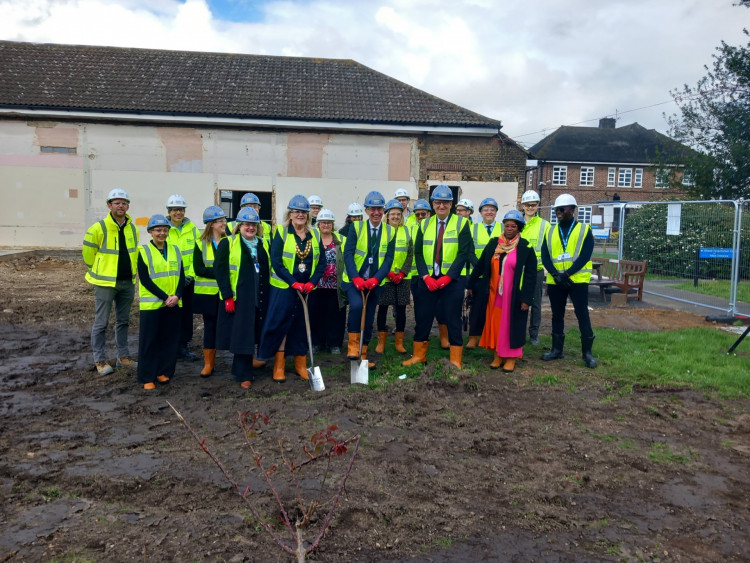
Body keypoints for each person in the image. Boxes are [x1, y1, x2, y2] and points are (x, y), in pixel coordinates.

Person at [403, 184, 472, 369]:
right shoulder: (424, 224)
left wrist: (448, 277)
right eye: (438, 202)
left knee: (452, 318)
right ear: (433, 204)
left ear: (451, 204)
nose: (441, 206)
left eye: (446, 203)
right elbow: (417, 253)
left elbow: (464, 253)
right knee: (423, 317)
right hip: (428, 281)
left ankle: (455, 359)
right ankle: (419, 356)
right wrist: (426, 277)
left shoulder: (462, 223)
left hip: (453, 281)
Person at [258, 195, 325, 381]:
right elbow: (277, 262)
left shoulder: (315, 234)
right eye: (296, 211)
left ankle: (301, 364)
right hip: (284, 288)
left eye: (303, 212)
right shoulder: (280, 232)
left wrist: (312, 282)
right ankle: (278, 366)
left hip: (308, 290)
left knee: (302, 325)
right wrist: (292, 282)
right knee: (281, 324)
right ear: (290, 214)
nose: (300, 215)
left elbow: (322, 263)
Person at [468, 210, 537, 372]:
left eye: (514, 226)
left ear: (519, 228)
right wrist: (470, 284)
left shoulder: (526, 247)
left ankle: (511, 357)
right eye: (507, 225)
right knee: (497, 323)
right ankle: (498, 355)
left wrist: (527, 299)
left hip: (514, 296)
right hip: (494, 294)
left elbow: (531, 276)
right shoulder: (494, 244)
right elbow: (480, 266)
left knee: (511, 325)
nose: (510, 228)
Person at [82, 188, 139, 376]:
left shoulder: (132, 228)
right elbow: (88, 254)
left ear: (128, 206)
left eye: (124, 203)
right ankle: (100, 359)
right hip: (105, 283)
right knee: (101, 323)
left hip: (126, 282)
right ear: (109, 205)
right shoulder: (98, 228)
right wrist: (98, 270)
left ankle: (123, 357)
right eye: (117, 202)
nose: (121, 206)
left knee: (123, 321)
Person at [214, 207, 271, 389]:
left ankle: (252, 365)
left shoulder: (263, 244)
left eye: (253, 224)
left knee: (254, 332)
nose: (250, 227)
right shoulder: (228, 243)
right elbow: (220, 271)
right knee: (242, 336)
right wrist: (227, 296)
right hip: (240, 298)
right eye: (246, 224)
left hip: (259, 296)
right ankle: (242, 374)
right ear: (239, 226)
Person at [541, 193, 597, 368]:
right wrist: (557, 275)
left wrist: (566, 275)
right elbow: (545, 256)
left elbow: (585, 256)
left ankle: (587, 353)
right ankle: (557, 350)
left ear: (572, 210)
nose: (559, 211)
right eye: (557, 209)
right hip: (555, 281)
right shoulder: (550, 231)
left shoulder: (584, 230)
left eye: (562, 208)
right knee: (557, 315)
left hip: (577, 280)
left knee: (582, 314)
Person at [343, 190, 396, 368]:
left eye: (379, 209)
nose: (376, 212)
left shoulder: (390, 231)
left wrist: (377, 279)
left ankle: (363, 354)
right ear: (366, 210)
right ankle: (352, 346)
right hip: (354, 280)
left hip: (374, 283)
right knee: (357, 306)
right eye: (372, 209)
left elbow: (389, 259)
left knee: (370, 315)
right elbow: (348, 254)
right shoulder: (356, 228)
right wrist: (355, 277)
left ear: (383, 211)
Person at [136, 214, 184, 390]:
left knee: (169, 340)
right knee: (150, 341)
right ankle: (147, 376)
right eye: (158, 230)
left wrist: (177, 295)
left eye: (165, 230)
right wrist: (165, 297)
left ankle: (163, 372)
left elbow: (181, 275)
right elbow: (146, 280)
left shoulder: (175, 250)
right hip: (153, 304)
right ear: (150, 232)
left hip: (173, 303)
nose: (162, 233)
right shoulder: (143, 252)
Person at [192, 205, 228, 377]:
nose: (224, 223)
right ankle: (209, 364)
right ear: (211, 224)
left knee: (230, 325)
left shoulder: (230, 241)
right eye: (220, 221)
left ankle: (243, 359)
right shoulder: (200, 244)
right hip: (207, 295)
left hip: (226, 293)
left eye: (224, 220)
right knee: (210, 328)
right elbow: (198, 269)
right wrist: (220, 273)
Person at [374, 199, 413, 355]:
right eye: (393, 214)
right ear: (387, 216)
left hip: (403, 277)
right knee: (383, 308)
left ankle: (399, 342)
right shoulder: (381, 231)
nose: (396, 217)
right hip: (385, 276)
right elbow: (377, 253)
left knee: (402, 309)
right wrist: (387, 272)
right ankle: (381, 342)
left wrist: (402, 272)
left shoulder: (407, 230)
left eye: (398, 214)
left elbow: (410, 254)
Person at [165, 194, 200, 362]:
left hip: (188, 280)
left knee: (186, 314)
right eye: (175, 210)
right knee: (171, 312)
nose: (178, 213)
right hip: (170, 280)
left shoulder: (191, 227)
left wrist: (191, 275)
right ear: (169, 212)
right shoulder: (164, 228)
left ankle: (183, 345)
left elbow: (196, 253)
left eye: (181, 209)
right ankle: (170, 345)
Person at [465, 197, 503, 349]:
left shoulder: (502, 228)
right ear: (480, 212)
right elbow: (470, 251)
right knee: (477, 307)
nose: (489, 212)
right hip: (479, 275)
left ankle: (493, 336)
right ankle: (473, 337)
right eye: (486, 209)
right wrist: (480, 267)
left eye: (492, 209)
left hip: (498, 276)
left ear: (496, 212)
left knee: (496, 307)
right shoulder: (473, 228)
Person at [309, 208, 346, 354]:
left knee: (335, 314)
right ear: (318, 224)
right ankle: (318, 342)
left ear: (333, 224)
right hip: (316, 284)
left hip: (335, 285)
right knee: (317, 314)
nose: (326, 225)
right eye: (323, 222)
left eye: (329, 222)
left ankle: (334, 343)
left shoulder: (340, 239)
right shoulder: (312, 238)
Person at [519, 190, 550, 345]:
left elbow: (549, 248)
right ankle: (518, 332)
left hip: (536, 270)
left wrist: (545, 268)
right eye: (527, 205)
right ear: (522, 205)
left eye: (533, 204)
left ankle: (534, 334)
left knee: (536, 303)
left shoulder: (545, 225)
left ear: (538, 205)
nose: (530, 207)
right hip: (518, 269)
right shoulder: (518, 223)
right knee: (518, 301)